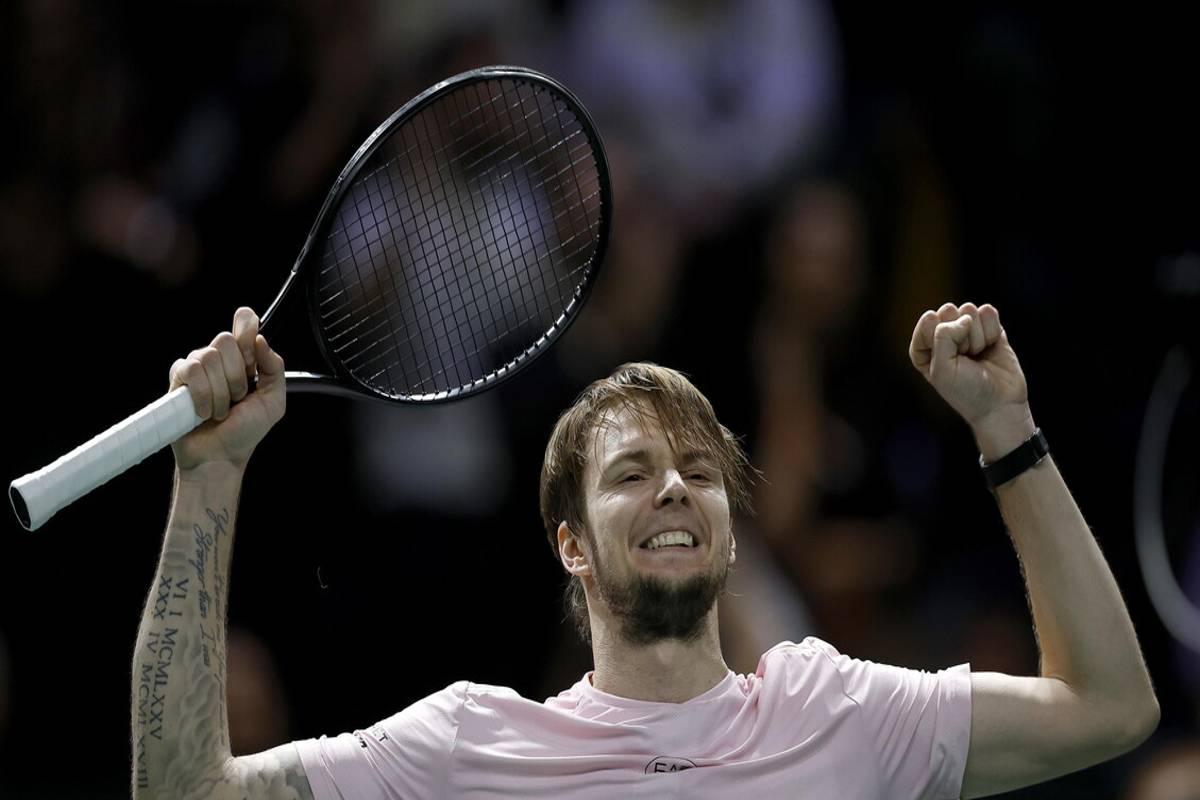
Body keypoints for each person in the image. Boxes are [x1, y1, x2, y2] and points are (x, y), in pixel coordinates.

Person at [131, 302, 1159, 799]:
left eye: (698, 471)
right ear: (571, 544)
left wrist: (1008, 433)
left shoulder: (841, 712)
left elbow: (1111, 703)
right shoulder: (467, 748)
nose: (673, 485)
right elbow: (185, 795)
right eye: (632, 473)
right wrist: (207, 478)